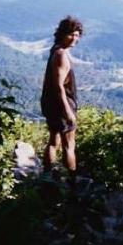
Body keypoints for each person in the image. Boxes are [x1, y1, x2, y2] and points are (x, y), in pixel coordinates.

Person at [41, 16, 83, 187]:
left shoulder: (56, 50)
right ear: (62, 34)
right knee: (68, 145)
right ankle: (72, 182)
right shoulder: (61, 56)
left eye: (77, 35)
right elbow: (58, 86)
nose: (75, 38)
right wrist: (67, 111)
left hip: (51, 103)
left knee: (54, 140)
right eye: (71, 35)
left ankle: (47, 175)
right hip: (61, 104)